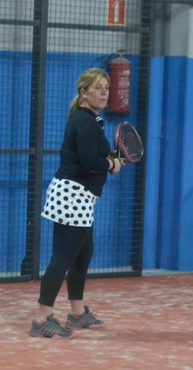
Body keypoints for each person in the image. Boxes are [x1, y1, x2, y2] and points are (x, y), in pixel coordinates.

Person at [30, 68, 125, 339]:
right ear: (84, 92)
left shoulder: (92, 120)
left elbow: (95, 154)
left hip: (81, 197)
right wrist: (112, 165)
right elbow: (89, 161)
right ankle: (41, 319)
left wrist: (111, 158)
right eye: (98, 88)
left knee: (83, 254)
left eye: (107, 88)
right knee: (63, 257)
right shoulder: (84, 121)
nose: (104, 93)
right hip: (72, 196)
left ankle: (77, 313)